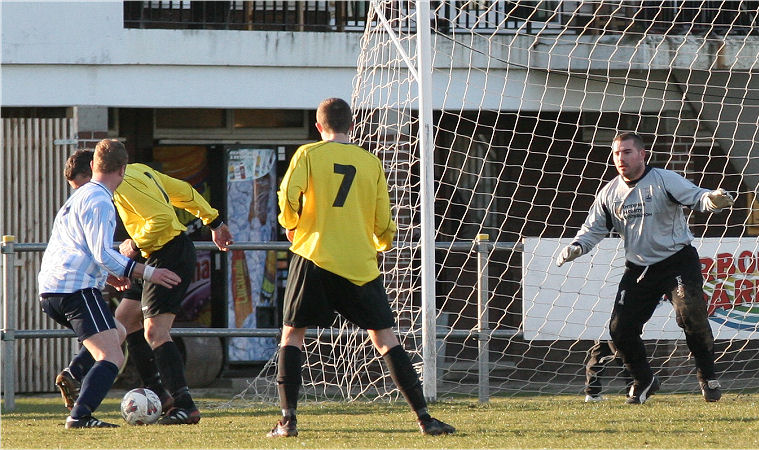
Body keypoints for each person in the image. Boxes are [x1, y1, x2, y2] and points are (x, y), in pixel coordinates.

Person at [269, 98, 455, 437]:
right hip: (359, 265)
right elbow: (383, 217)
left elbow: (287, 195)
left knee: (293, 336)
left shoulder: (308, 155)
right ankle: (425, 418)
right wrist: (383, 242)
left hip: (315, 256)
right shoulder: (371, 162)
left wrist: (291, 222)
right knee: (385, 339)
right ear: (352, 126)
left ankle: (288, 422)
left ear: (318, 126)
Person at [61, 140, 234, 425]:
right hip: (154, 254)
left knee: (156, 332)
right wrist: (213, 222)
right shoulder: (140, 171)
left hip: (169, 253)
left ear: (93, 170)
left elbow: (163, 219)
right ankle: (157, 394)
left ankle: (185, 405)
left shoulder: (119, 186)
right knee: (123, 322)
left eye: (82, 187)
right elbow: (184, 192)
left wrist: (134, 244)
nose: (84, 196)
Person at [556, 132, 734, 404]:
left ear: (642, 154)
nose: (621, 158)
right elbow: (592, 229)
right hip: (639, 268)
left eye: (627, 152)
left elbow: (699, 198)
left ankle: (708, 377)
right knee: (620, 329)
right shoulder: (609, 192)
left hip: (677, 261)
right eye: (616, 153)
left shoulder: (664, 179)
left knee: (691, 315)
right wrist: (577, 247)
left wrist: (714, 200)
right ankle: (644, 380)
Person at [38, 141, 182, 428]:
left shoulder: (79, 196)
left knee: (118, 330)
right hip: (74, 289)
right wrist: (149, 273)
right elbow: (102, 253)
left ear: (93, 166)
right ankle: (80, 416)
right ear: (123, 170)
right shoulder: (101, 201)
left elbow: (80, 249)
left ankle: (75, 374)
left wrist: (107, 275)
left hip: (53, 287)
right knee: (111, 356)